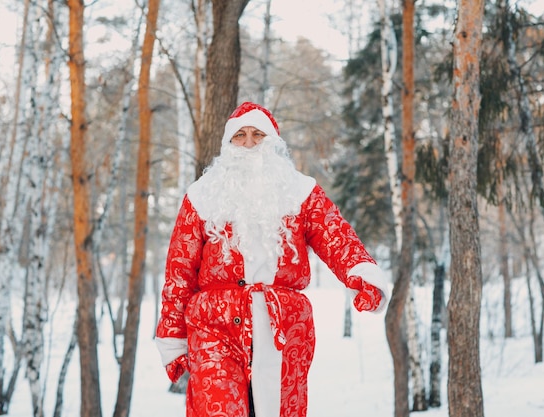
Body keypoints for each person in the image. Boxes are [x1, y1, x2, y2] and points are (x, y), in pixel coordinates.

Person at [155, 101, 388, 417]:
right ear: (228, 143)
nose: (249, 143)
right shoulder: (202, 195)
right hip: (214, 328)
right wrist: (173, 335)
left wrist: (361, 276)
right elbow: (179, 269)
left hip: (283, 328)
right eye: (240, 135)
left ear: (273, 142)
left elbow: (335, 236)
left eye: (257, 134)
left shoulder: (300, 192)